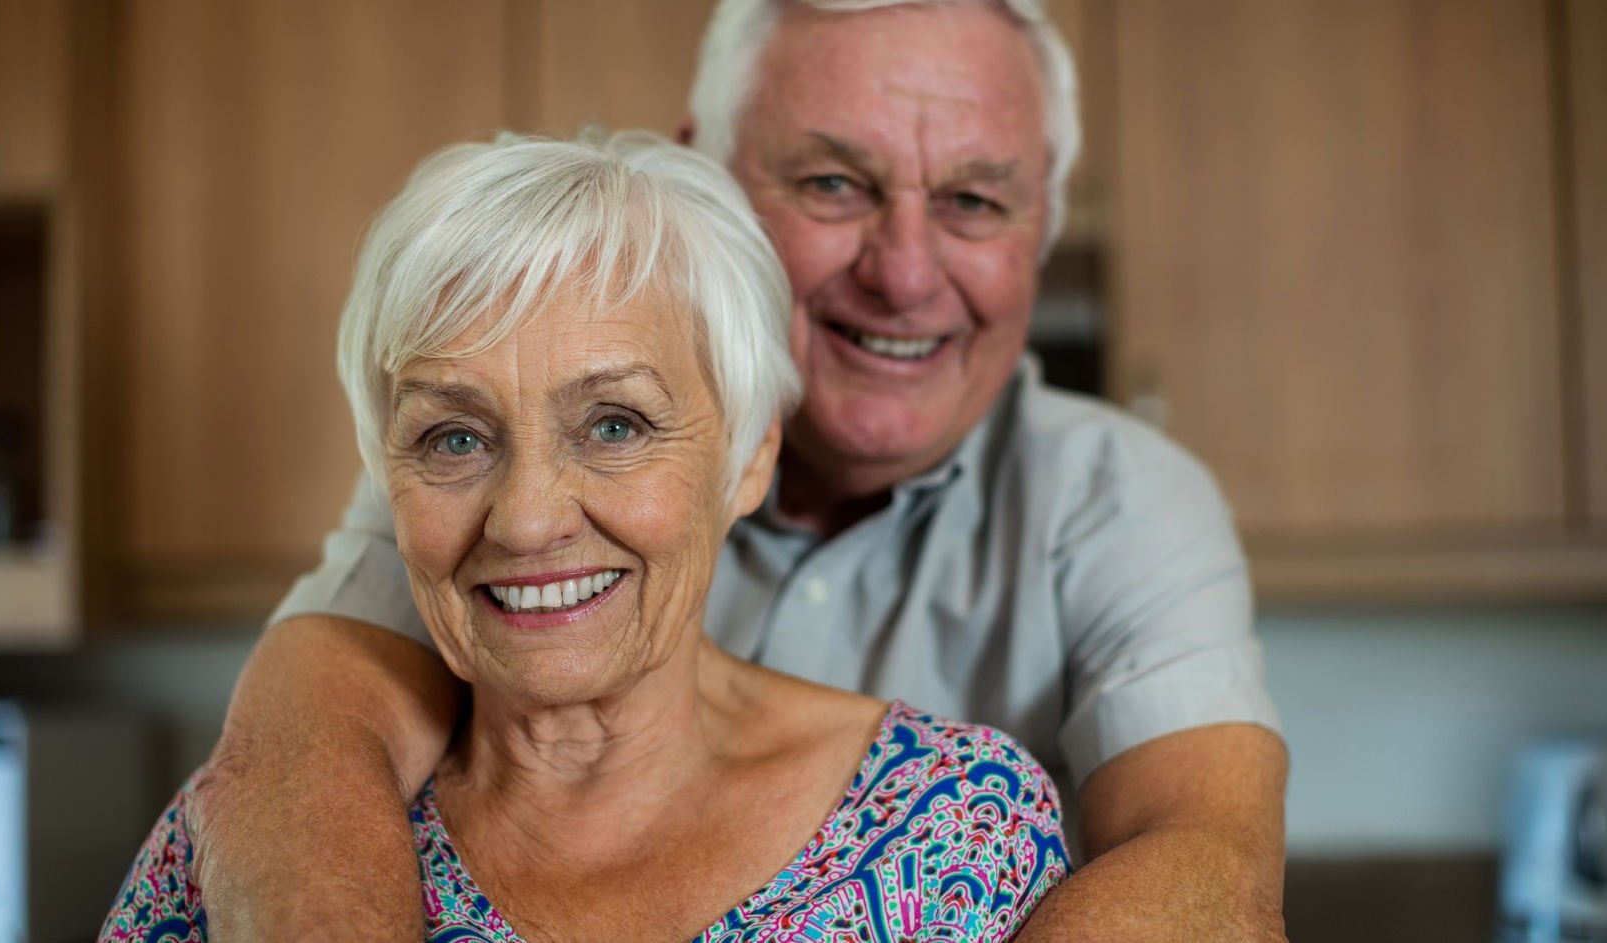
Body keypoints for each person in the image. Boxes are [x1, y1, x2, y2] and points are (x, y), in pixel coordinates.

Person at [191, 1, 1290, 940]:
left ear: (1041, 217)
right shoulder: (497, 448)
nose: (904, 274)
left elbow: (1205, 861)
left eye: (973, 201)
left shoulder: (1118, 504)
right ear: (701, 174)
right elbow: (305, 744)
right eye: (830, 183)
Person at [102, 132, 1071, 942]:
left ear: (746, 458)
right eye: (454, 437)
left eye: (614, 424)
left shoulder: (955, 828)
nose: (526, 518)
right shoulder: (242, 844)